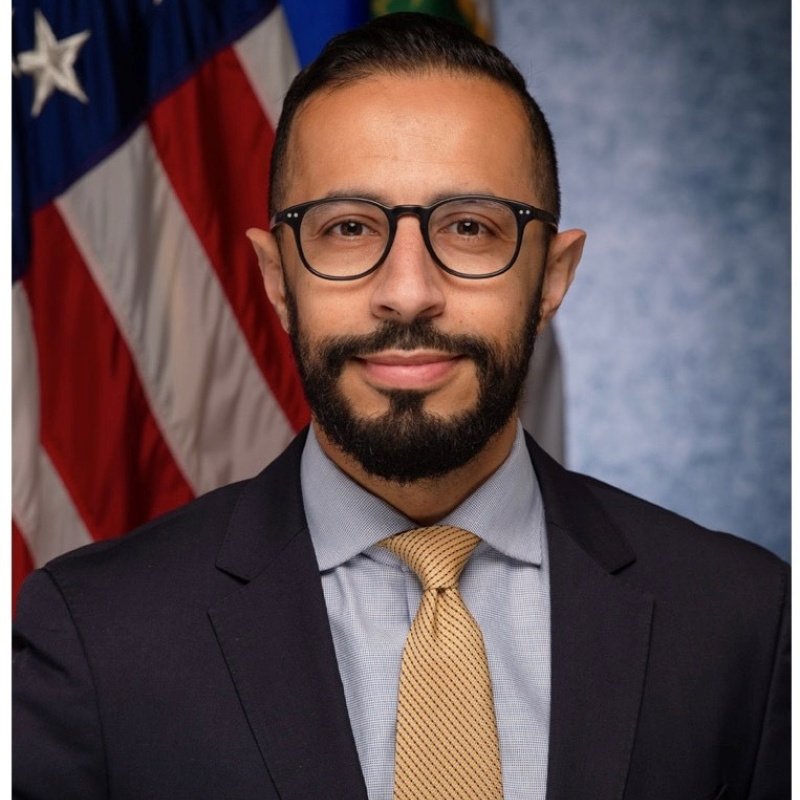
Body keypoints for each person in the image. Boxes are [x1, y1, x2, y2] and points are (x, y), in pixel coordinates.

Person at [13, 12, 789, 800]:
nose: (408, 293)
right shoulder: (93, 636)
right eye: (349, 228)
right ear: (278, 280)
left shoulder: (747, 627)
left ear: (554, 277)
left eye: (471, 227)